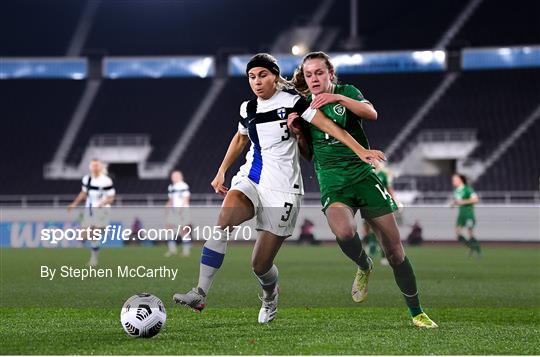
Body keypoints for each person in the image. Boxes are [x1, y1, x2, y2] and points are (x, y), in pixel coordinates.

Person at [173, 53, 384, 324]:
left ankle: (270, 294)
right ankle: (200, 292)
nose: (257, 82)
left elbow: (328, 126)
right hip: (251, 179)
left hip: (283, 190)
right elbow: (240, 137)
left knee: (259, 264)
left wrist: (360, 149)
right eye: (252, 77)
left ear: (275, 76)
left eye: (263, 75)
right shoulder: (247, 108)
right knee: (223, 221)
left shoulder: (294, 102)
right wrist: (222, 170)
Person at [288, 51, 437, 328]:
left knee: (395, 252)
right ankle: (364, 264)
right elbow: (308, 154)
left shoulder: (347, 91)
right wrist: (298, 136)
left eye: (319, 72)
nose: (314, 79)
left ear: (330, 73)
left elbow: (371, 113)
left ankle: (416, 312)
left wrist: (337, 98)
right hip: (332, 180)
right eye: (309, 75)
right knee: (344, 231)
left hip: (363, 176)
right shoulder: (305, 105)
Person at [68, 159, 115, 266]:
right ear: (90, 167)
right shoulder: (87, 179)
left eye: (97, 165)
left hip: (102, 211)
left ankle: (94, 259)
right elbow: (83, 193)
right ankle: (94, 245)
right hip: (89, 210)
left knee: (94, 232)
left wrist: (102, 203)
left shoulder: (106, 181)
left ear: (101, 167)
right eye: (93, 165)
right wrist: (74, 204)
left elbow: (111, 198)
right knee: (84, 235)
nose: (95, 167)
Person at [451, 173, 481, 257]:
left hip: (468, 214)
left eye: (455, 179)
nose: (453, 181)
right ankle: (472, 247)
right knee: (457, 234)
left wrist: (462, 202)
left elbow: (475, 199)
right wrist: (454, 203)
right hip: (461, 214)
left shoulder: (468, 189)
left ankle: (478, 250)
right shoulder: (456, 191)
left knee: (470, 233)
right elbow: (458, 201)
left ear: (460, 180)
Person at [165, 170, 192, 257]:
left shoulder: (183, 186)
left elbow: (186, 199)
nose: (173, 178)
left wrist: (181, 211)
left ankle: (186, 251)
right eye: (173, 176)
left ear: (180, 177)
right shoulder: (171, 187)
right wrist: (167, 208)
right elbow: (171, 200)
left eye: (175, 176)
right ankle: (172, 250)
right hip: (173, 211)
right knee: (168, 229)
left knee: (183, 230)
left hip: (182, 211)